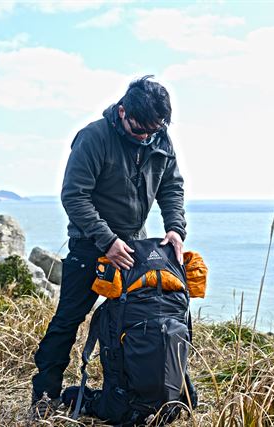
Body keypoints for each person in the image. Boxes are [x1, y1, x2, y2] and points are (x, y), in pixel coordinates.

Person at [31, 75, 187, 418]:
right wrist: (107, 240)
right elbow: (75, 196)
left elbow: (172, 187)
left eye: (153, 130)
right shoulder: (93, 137)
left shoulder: (159, 137)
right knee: (68, 319)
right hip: (91, 246)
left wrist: (175, 228)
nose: (146, 137)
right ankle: (44, 395)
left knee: (140, 321)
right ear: (122, 112)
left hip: (135, 248)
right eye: (139, 130)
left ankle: (135, 394)